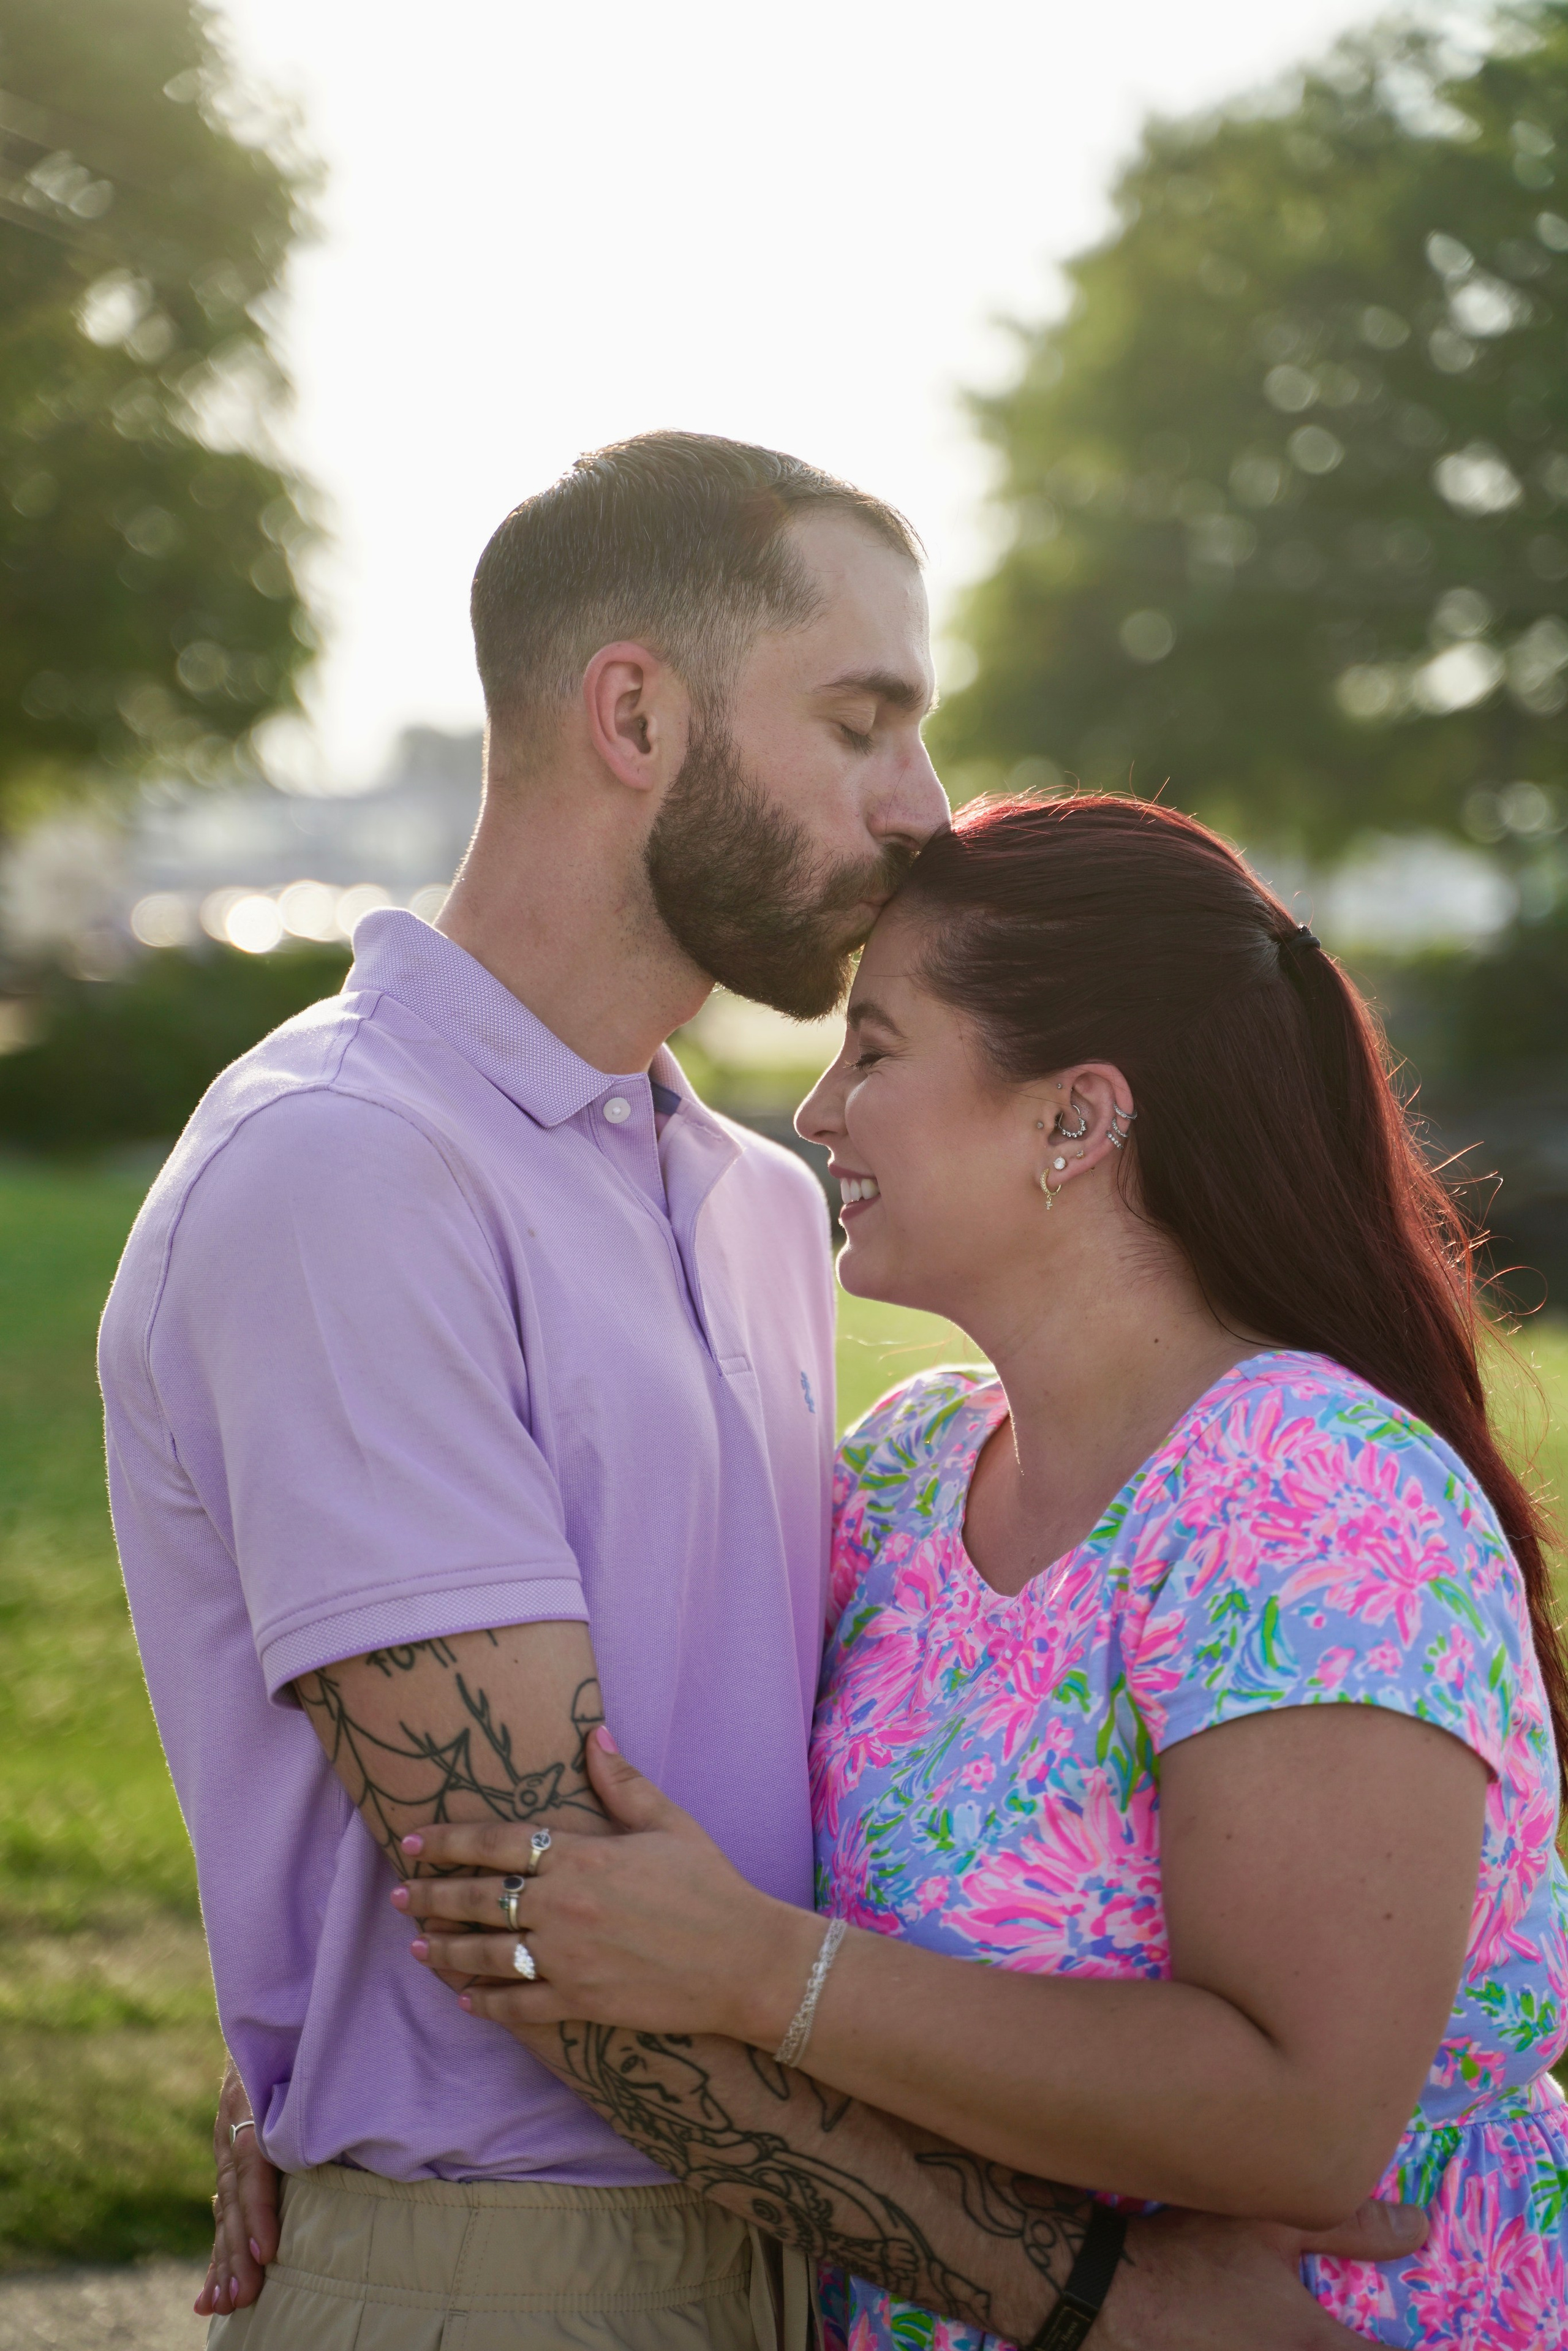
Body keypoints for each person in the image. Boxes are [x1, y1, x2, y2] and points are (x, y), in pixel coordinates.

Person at [115, 437, 1423, 2351]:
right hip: (514, 2282)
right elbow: (544, 1928)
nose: (926, 808)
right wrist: (1093, 2294)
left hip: (802, 2273)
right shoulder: (345, 1170)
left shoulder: (748, 1201)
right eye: (864, 721)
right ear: (634, 711)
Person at [393, 793, 1568, 2351]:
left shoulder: (1307, 1496)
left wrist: (762, 1974)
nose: (816, 1110)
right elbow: (592, 1760)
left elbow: (1297, 2118)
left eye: (874, 1049)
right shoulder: (902, 1470)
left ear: (1072, 1119)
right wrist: (333, 2082)